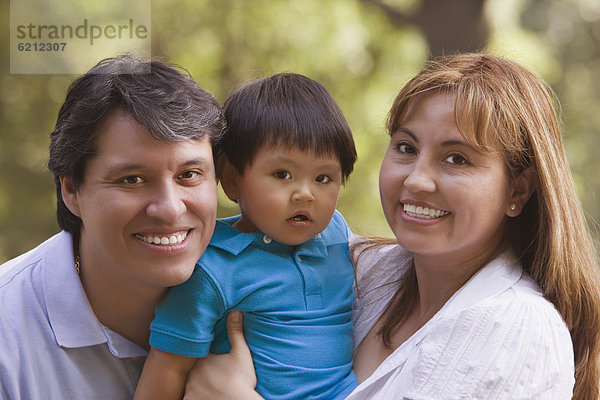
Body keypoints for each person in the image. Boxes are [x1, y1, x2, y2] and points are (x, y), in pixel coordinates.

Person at [183, 53, 600, 400]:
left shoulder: (517, 329)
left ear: (519, 191)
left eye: (457, 158)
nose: (417, 179)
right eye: (406, 147)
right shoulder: (359, 267)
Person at [0, 55, 225, 399]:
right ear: (71, 190)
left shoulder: (274, 290)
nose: (169, 208)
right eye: (132, 179)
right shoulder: (7, 335)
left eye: (189, 175)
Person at [134, 73, 359, 400]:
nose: (305, 194)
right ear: (231, 178)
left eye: (324, 178)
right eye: (282, 174)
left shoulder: (337, 233)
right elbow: (168, 369)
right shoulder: (212, 271)